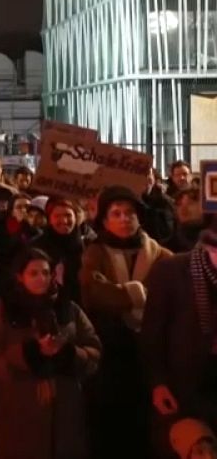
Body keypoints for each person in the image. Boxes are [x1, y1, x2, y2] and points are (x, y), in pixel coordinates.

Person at [0, 248, 101, 459]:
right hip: (19, 406)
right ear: (20, 277)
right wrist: (28, 353)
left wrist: (68, 352)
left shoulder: (68, 309)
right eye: (33, 273)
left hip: (65, 405)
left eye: (45, 272)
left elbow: (93, 348)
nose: (41, 279)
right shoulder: (6, 312)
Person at [81, 185, 172, 459]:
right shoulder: (94, 253)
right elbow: (94, 292)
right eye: (116, 213)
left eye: (130, 213)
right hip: (111, 356)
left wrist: (121, 293)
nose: (124, 219)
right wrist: (137, 293)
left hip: (151, 353)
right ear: (105, 220)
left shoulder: (161, 255)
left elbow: (167, 295)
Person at [142, 223, 217, 457]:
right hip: (184, 384)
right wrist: (158, 383)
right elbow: (152, 334)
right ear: (208, 247)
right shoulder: (171, 271)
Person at [32, 198, 91, 305]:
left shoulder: (87, 246)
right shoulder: (36, 246)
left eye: (68, 215)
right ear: (49, 219)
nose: (64, 220)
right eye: (57, 216)